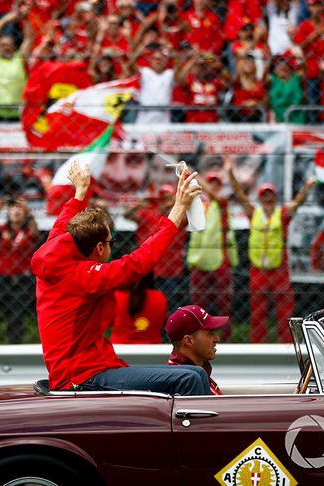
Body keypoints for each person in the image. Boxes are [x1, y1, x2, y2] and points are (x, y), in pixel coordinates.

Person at [31, 159, 210, 395]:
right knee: (189, 378)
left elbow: (65, 219)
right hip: (82, 376)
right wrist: (177, 210)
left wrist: (81, 191)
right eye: (110, 242)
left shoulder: (56, 249)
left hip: (92, 369)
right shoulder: (84, 278)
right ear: (99, 248)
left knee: (195, 373)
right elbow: (136, 264)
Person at [229, 169, 315, 343]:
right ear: (260, 198)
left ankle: (287, 344)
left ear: (275, 198)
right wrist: (230, 175)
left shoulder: (281, 215)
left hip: (279, 270)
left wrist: (306, 187)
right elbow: (240, 195)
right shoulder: (254, 213)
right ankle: (257, 343)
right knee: (258, 311)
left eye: (271, 195)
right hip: (258, 271)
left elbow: (297, 203)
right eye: (264, 195)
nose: (268, 199)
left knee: (284, 310)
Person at [186, 171, 238, 341]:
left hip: (219, 259)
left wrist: (192, 174)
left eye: (216, 183)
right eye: (211, 183)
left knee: (224, 301)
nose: (213, 187)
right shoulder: (197, 206)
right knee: (200, 302)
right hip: (199, 259)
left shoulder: (221, 203)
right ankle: (200, 335)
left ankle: (226, 336)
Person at [124, 184, 188, 314]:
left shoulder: (178, 217)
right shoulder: (147, 212)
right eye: (162, 197)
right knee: (146, 305)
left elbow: (187, 218)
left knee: (169, 305)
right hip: (147, 268)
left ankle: (167, 332)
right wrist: (140, 204)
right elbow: (127, 215)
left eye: (168, 197)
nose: (164, 200)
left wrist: (174, 205)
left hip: (171, 270)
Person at [0, 197, 40, 344]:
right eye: (13, 207)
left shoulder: (29, 231)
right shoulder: (3, 230)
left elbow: (36, 233)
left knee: (18, 310)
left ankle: (16, 339)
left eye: (19, 208)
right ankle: (11, 336)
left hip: (23, 277)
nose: (16, 210)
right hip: (3, 277)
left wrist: (29, 211)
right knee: (7, 308)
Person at [166, 305, 228, 395]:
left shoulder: (193, 374)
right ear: (189, 341)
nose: (217, 338)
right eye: (210, 333)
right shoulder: (185, 382)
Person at [109, 273, 167, 344]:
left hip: (119, 350)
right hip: (152, 351)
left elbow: (109, 323)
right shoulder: (160, 298)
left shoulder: (115, 297)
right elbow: (162, 321)